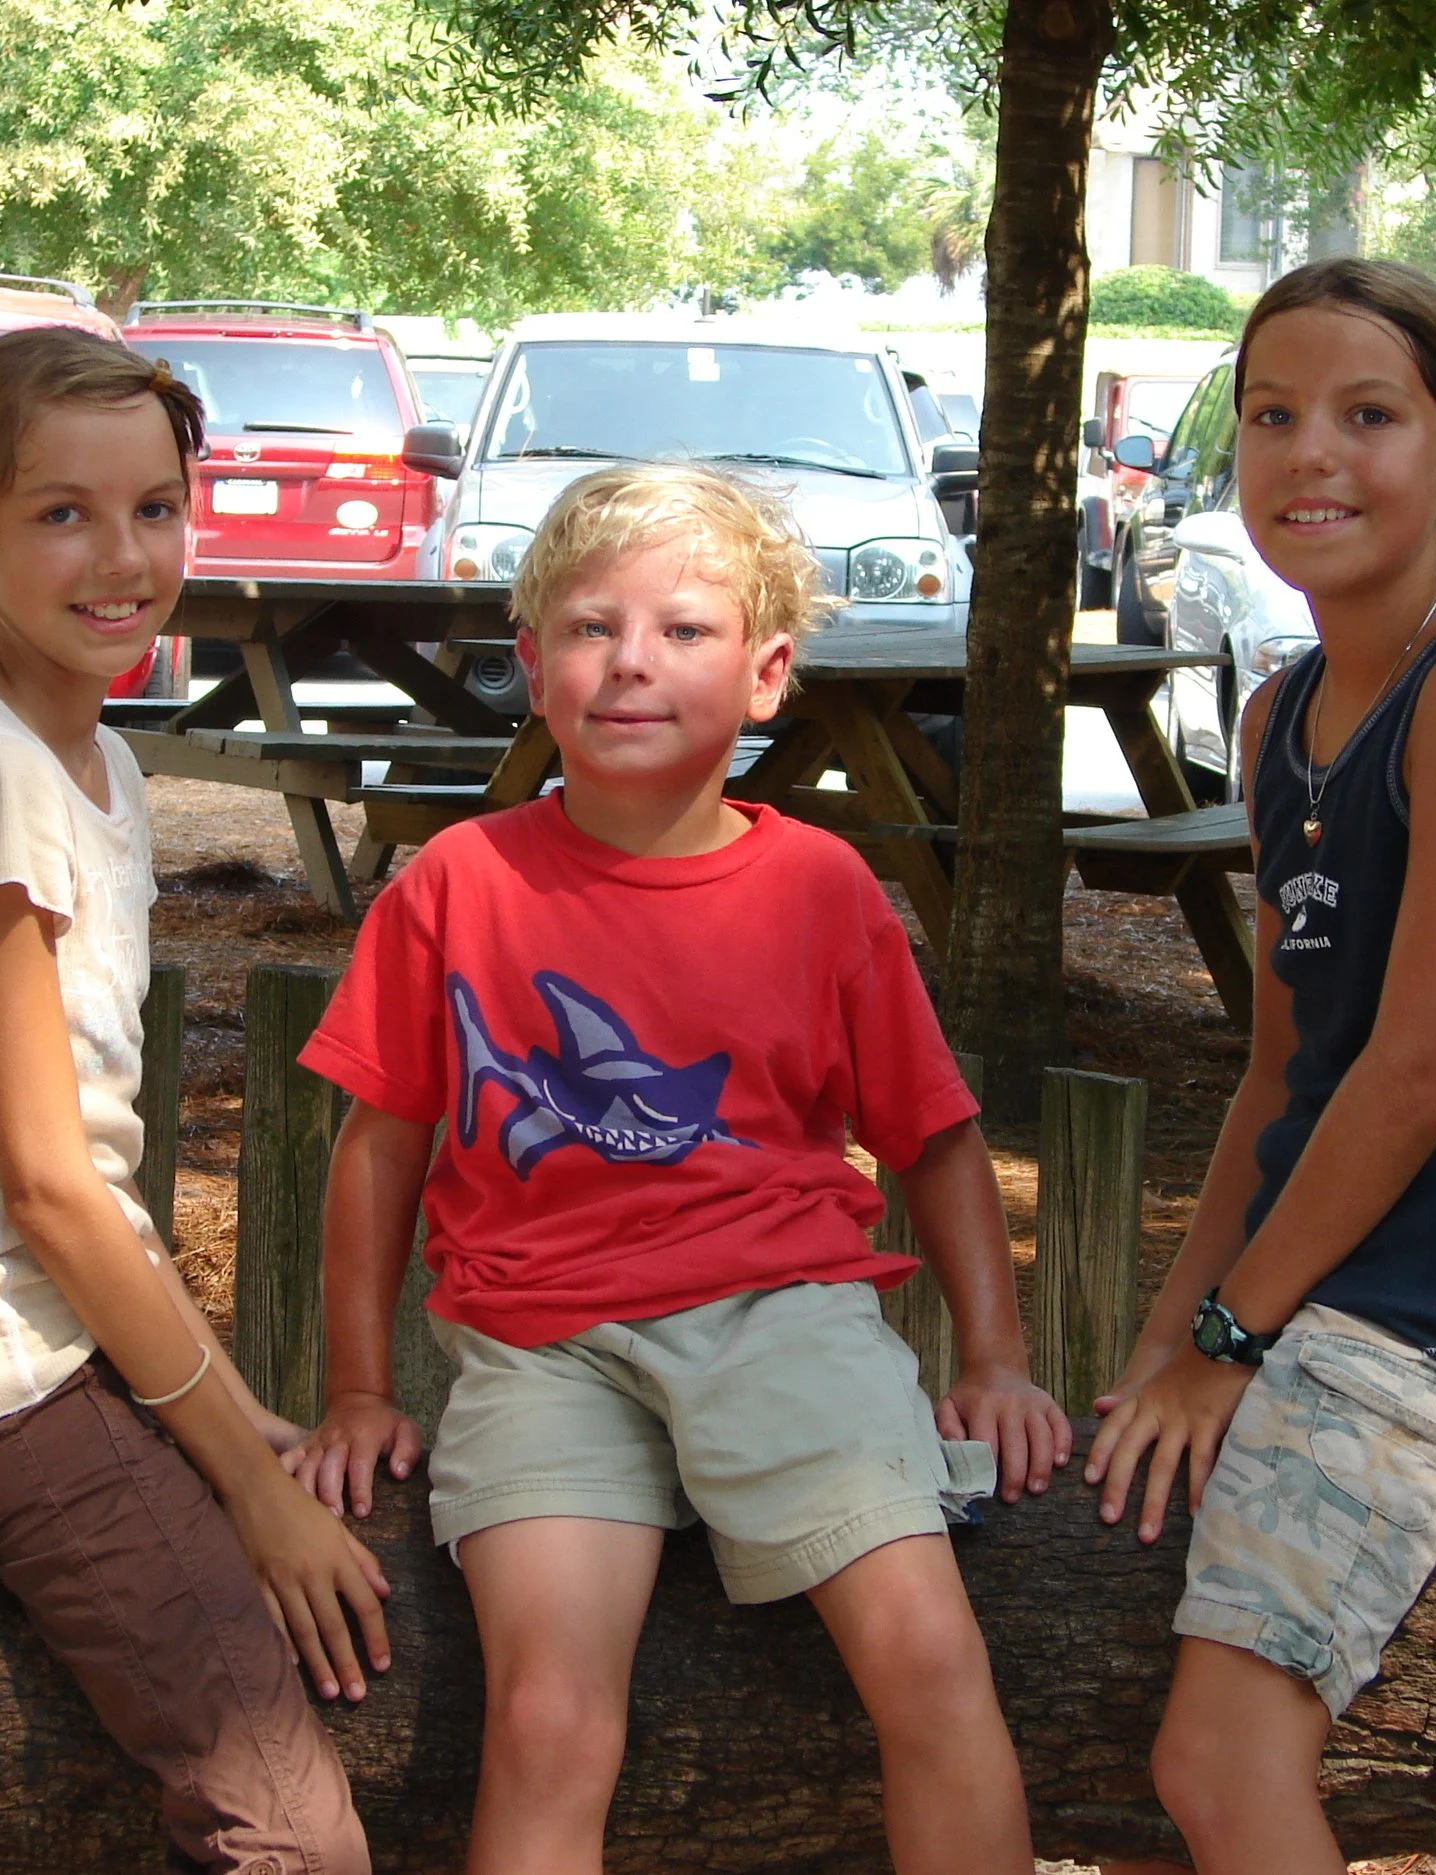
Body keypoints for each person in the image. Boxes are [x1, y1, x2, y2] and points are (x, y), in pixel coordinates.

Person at [291, 462, 1071, 1875]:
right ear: (533, 666)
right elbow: (378, 1148)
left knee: (930, 1660)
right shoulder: (457, 883)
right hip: (544, 1345)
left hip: (786, 1318)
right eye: (591, 627)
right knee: (547, 1717)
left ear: (767, 673)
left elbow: (936, 1136)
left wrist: (995, 1358)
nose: (632, 661)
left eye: (685, 629)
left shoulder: (822, 888)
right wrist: (356, 1390)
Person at [1081, 258, 1436, 1875]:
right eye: (1272, 416)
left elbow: (1416, 1071)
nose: (1310, 451)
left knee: (1219, 1762)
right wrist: (1168, 1340)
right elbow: (1280, 1076)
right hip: (1328, 1263)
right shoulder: (1281, 714)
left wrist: (1234, 1340)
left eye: (1367, 416)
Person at [0, 324, 382, 1875]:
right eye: (62, 513)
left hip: (65, 1348)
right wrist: (248, 1485)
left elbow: (88, 1161)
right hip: (2, 1374)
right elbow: (46, 1187)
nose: (124, 556)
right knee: (291, 1833)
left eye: (155, 507)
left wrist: (235, 1412)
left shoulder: (93, 765)